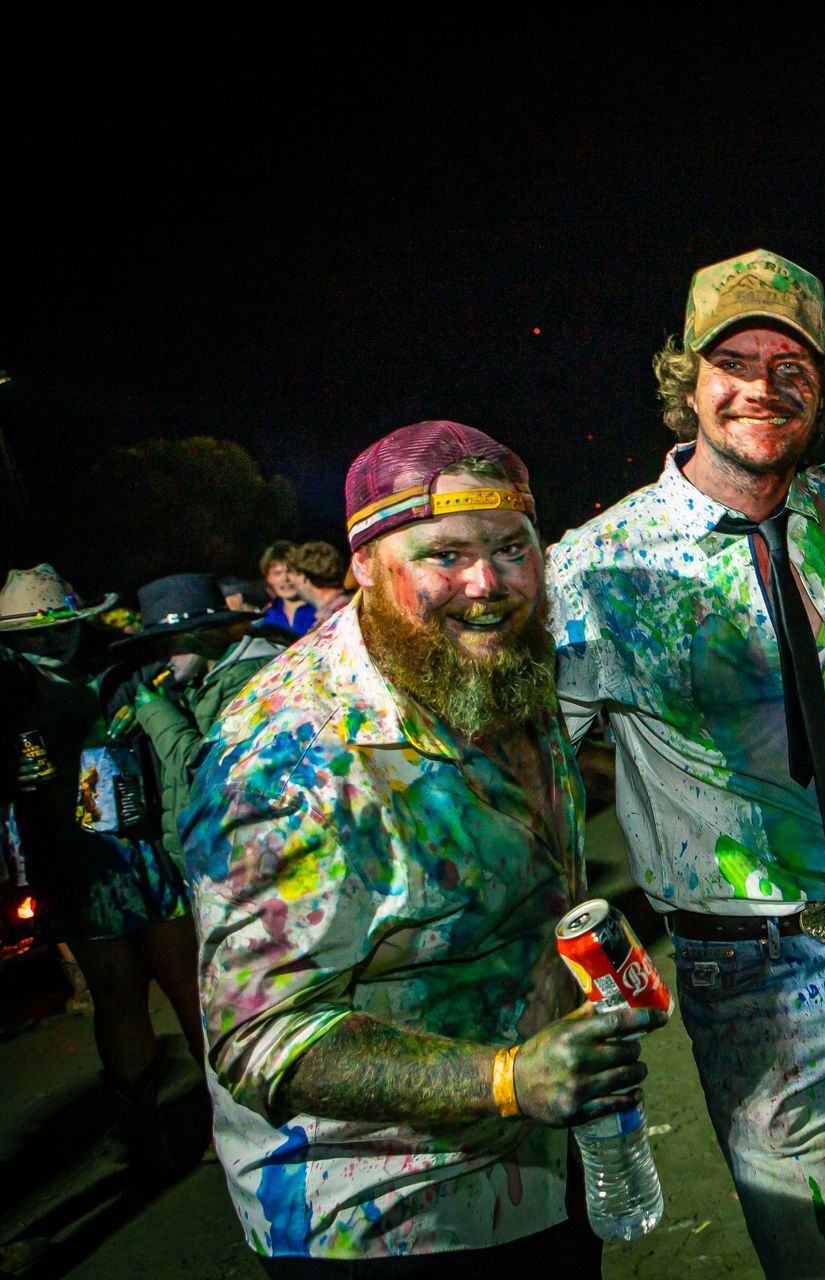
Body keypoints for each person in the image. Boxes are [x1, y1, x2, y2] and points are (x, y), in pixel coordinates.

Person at [544, 250, 825, 1279]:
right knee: (821, 1258)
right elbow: (536, 776)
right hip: (751, 976)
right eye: (733, 360)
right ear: (685, 379)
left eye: (795, 368)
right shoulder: (599, 569)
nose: (763, 389)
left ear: (824, 389)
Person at [184, 421, 655, 1273]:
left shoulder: (501, 662)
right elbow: (265, 1036)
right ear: (364, 563)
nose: (485, 583)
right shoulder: (290, 754)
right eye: (443, 554)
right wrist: (506, 1079)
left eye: (512, 548)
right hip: (385, 1216)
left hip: (543, 1173)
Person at [0, 565, 205, 1167]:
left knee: (189, 983)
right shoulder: (8, 694)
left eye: (63, 626)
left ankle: (235, 1116)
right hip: (76, 866)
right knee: (118, 996)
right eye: (37, 634)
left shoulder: (119, 669)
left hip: (147, 853)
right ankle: (144, 1130)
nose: (53, 639)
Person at [105, 573, 289, 873]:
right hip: (218, 862)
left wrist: (156, 713)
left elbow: (208, 772)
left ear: (199, 635)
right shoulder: (203, 683)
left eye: (167, 646)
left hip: (253, 861)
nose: (163, 660)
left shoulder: (249, 679)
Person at [286, 539, 353, 623]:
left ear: (304, 579)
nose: (288, 581)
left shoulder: (337, 615)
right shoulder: (352, 604)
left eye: (292, 575)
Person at [258, 541, 317, 636]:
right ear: (268, 578)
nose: (285, 578)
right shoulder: (267, 619)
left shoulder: (321, 609)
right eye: (277, 573)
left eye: (290, 571)